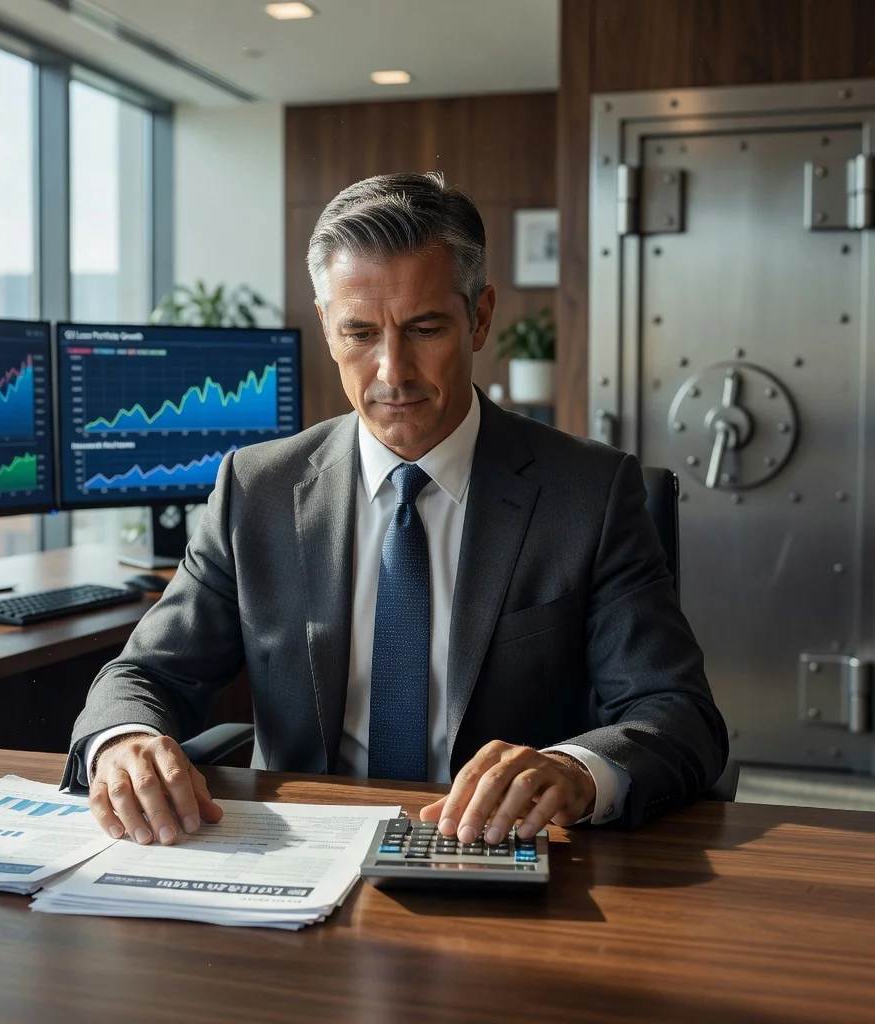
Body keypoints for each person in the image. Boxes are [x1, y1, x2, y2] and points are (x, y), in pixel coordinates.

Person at [63, 171, 727, 849]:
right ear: (325, 326)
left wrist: (573, 771)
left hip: (494, 853)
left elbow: (676, 712)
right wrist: (125, 741)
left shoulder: (588, 492)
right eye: (359, 333)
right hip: (299, 855)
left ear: (480, 316)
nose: (392, 373)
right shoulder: (257, 487)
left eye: (425, 328)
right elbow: (147, 672)